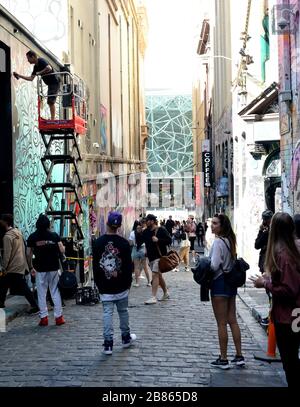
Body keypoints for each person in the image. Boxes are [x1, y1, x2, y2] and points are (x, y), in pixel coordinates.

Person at [250, 212, 300, 388]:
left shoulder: (285, 254)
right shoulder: (290, 250)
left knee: (290, 360)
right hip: (291, 314)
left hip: (289, 316)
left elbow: (289, 289)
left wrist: (265, 284)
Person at [93, 212, 136, 355]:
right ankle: (125, 338)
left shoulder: (98, 243)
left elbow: (95, 266)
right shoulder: (124, 243)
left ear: (107, 223)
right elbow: (129, 267)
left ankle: (108, 344)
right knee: (123, 312)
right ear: (119, 226)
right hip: (121, 286)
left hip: (105, 286)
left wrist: (98, 284)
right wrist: (128, 283)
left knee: (107, 313)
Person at [210, 213, 245, 369]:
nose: (212, 225)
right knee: (233, 320)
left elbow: (214, 265)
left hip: (219, 284)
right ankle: (239, 355)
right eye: (212, 223)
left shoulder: (218, 242)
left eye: (215, 223)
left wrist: (204, 262)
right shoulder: (230, 240)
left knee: (221, 323)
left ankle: (223, 358)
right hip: (231, 283)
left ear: (222, 226)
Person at [26, 214, 65, 326]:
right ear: (48, 224)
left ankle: (44, 318)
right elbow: (62, 250)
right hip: (53, 268)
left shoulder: (32, 237)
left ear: (37, 224)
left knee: (41, 293)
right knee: (55, 291)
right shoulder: (54, 235)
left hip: (40, 269)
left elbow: (28, 253)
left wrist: (30, 267)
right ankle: (59, 318)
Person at [0, 214, 39, 314]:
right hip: (20, 264)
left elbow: (7, 254)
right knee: (4, 284)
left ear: (5, 222)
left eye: (2, 220)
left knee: (23, 287)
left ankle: (35, 306)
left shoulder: (7, 237)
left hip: (13, 266)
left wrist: (3, 267)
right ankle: (1, 303)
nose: (0, 222)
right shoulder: (18, 233)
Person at [13, 50, 60, 120]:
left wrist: (40, 72)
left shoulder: (41, 60)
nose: (28, 61)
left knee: (50, 101)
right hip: (50, 83)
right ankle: (53, 118)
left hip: (54, 82)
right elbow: (31, 78)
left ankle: (53, 119)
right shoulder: (36, 67)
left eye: (28, 58)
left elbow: (49, 68)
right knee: (50, 101)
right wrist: (19, 76)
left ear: (33, 57)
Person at [142, 214, 172, 305]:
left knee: (155, 275)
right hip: (150, 258)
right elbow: (143, 242)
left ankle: (153, 297)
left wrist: (158, 240)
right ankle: (166, 293)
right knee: (158, 275)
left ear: (152, 221)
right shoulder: (146, 231)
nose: (146, 222)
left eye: (147, 220)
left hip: (159, 257)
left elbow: (169, 240)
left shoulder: (161, 230)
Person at [255, 209, 273, 326]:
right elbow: (257, 245)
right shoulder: (264, 230)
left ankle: (272, 315)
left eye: (267, 219)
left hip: (271, 264)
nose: (265, 222)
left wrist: (265, 233)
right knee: (269, 293)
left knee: (272, 292)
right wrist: (262, 232)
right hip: (265, 263)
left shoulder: (275, 232)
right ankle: (271, 314)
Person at [128, 222, 151, 287]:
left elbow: (130, 243)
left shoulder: (132, 233)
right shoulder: (144, 232)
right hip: (143, 249)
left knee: (136, 267)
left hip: (135, 249)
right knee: (145, 266)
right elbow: (147, 242)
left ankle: (137, 283)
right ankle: (149, 282)